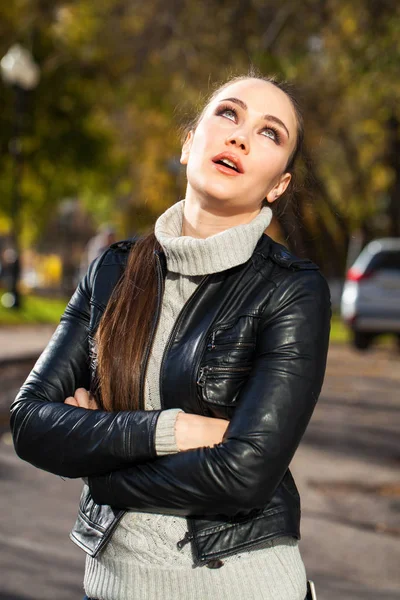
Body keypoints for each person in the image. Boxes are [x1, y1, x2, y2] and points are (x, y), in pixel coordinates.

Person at [10, 73, 331, 600]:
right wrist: (174, 430)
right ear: (188, 143)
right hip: (110, 586)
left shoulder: (291, 290)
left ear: (279, 185)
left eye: (270, 133)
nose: (241, 137)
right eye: (227, 114)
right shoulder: (111, 272)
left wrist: (100, 468)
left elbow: (244, 474)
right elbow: (30, 422)